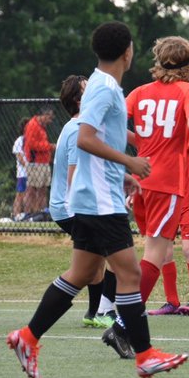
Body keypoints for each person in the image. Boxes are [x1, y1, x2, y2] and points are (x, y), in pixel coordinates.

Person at [7, 22, 188, 378]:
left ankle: (27, 337)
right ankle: (145, 355)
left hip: (92, 197)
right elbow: (87, 139)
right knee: (130, 272)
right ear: (128, 52)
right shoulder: (105, 90)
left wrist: (121, 176)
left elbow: (94, 144)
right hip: (100, 203)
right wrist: (129, 162)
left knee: (82, 273)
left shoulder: (102, 86)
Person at [124, 36, 189, 314]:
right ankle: (125, 319)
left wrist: (140, 143)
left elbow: (110, 125)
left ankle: (124, 315)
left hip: (140, 183)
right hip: (165, 183)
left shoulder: (139, 92)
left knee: (152, 251)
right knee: (154, 255)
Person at [49, 74, 118, 330]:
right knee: (115, 255)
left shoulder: (80, 127)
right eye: (89, 89)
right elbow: (75, 180)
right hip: (72, 209)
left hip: (70, 208)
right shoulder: (79, 130)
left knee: (94, 264)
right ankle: (103, 311)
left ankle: (94, 312)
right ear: (80, 100)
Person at [149, 133, 189, 316]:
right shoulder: (159, 139)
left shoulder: (187, 138)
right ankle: (172, 302)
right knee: (165, 253)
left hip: (186, 203)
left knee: (188, 249)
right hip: (166, 203)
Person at [21, 107, 54, 218]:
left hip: (44, 162)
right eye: (49, 118)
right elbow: (31, 145)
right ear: (44, 115)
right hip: (35, 163)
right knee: (31, 189)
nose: (50, 121)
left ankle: (42, 214)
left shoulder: (41, 127)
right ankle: (28, 214)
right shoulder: (32, 125)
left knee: (42, 190)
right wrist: (49, 147)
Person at [12, 119, 29, 219]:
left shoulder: (31, 140)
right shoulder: (19, 140)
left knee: (29, 195)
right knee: (20, 195)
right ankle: (16, 215)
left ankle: (28, 216)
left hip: (32, 174)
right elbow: (20, 157)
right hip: (23, 174)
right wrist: (30, 167)